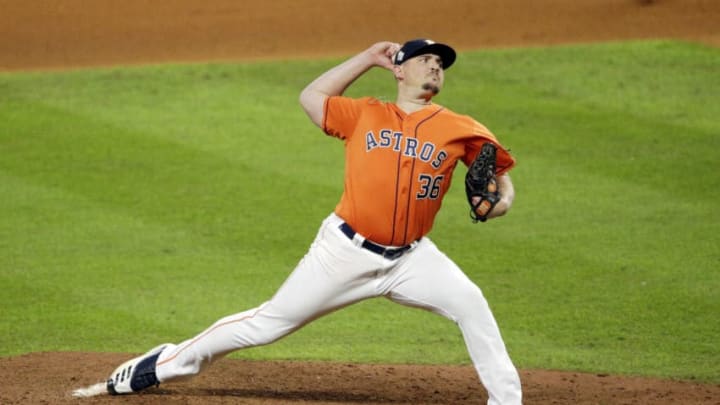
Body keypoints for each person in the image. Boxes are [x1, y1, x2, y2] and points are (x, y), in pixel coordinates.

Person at [75, 39, 522, 404]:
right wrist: (367, 58)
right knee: (267, 324)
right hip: (344, 252)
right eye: (425, 60)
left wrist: (502, 201)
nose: (436, 67)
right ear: (399, 70)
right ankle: (162, 365)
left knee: (471, 304)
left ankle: (506, 402)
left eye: (441, 63)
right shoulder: (365, 112)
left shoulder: (463, 128)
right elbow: (312, 98)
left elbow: (498, 178)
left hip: (412, 258)